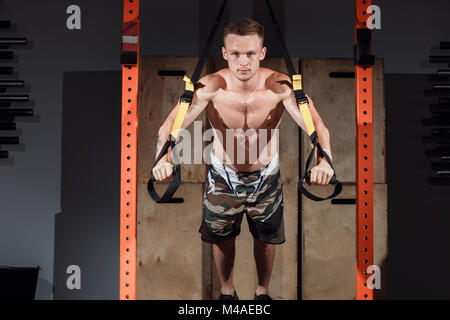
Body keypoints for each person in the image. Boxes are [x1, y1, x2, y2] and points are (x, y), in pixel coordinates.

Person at [152, 18, 335, 300]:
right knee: (221, 238)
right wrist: (162, 160)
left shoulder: (280, 87)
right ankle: (227, 293)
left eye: (250, 53)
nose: (243, 62)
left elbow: (317, 128)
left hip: (265, 175)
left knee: (266, 238)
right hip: (223, 175)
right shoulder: (210, 86)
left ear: (262, 53)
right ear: (224, 53)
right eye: (235, 54)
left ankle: (262, 293)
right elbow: (170, 128)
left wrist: (325, 162)